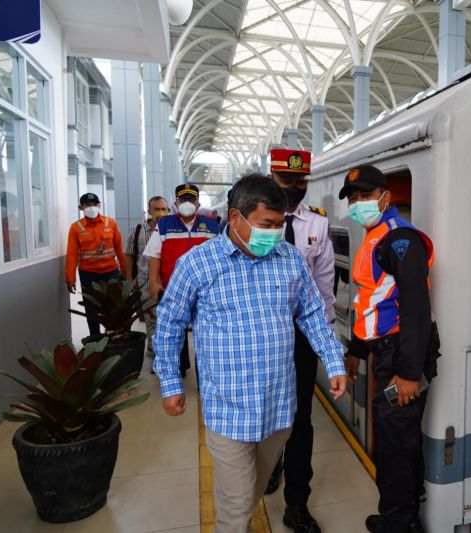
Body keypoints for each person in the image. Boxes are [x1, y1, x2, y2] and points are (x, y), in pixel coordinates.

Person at [153, 174, 347, 533]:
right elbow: (169, 324)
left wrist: (333, 361)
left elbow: (312, 314)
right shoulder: (199, 264)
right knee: (237, 503)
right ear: (235, 217)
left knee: (251, 489)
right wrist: (170, 382)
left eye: (279, 224)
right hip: (229, 408)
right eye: (266, 224)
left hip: (278, 406)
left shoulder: (290, 260)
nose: (274, 233)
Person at [340, 165, 438, 533]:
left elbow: (415, 308)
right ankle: (405, 514)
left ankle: (398, 522)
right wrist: (356, 351)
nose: (358, 204)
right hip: (386, 352)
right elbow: (370, 301)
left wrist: (409, 373)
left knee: (394, 443)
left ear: (385, 197)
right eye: (353, 198)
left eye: (365, 195)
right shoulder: (375, 237)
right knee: (396, 437)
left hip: (402, 355)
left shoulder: (401, 240)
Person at [264, 149, 335, 533]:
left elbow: (324, 284)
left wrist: (324, 338)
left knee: (301, 420)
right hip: (261, 336)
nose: (294, 187)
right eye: (286, 180)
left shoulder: (317, 224)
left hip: (302, 337)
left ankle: (297, 503)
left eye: (300, 180)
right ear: (271, 178)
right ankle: (269, 463)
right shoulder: (254, 219)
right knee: (265, 411)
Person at [144, 183, 218, 377]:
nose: (187, 202)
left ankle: (205, 371)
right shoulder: (164, 224)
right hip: (173, 287)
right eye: (183, 199)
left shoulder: (211, 225)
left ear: (198, 202)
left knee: (204, 330)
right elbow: (154, 255)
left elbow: (219, 256)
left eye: (191, 199)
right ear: (176, 203)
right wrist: (154, 282)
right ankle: (180, 366)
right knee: (176, 328)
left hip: (205, 288)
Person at [65, 192, 126, 338]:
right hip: (88, 274)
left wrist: (125, 270)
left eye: (94, 204)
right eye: (87, 205)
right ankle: (95, 337)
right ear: (81, 207)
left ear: (99, 206)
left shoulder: (110, 223)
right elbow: (72, 254)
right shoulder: (76, 228)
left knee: (113, 306)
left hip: (110, 272)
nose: (91, 207)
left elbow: (119, 248)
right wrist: (70, 278)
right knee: (91, 307)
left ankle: (114, 334)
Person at [124, 195, 170, 358]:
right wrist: (130, 279)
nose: (160, 212)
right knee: (152, 319)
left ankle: (168, 350)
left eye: (163, 209)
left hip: (169, 283)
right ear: (149, 211)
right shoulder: (138, 231)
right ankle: (155, 351)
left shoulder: (172, 230)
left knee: (169, 319)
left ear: (168, 211)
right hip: (146, 283)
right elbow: (129, 255)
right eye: (156, 209)